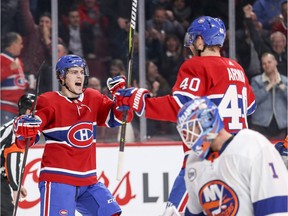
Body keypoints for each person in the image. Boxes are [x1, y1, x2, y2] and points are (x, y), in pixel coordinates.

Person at [114, 16, 256, 214]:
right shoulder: (237, 68)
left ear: (200, 41)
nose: (190, 45)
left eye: (193, 39)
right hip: (239, 161)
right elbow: (250, 106)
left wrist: (140, 102)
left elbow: (180, 108)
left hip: (206, 159)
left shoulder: (196, 65)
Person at [13, 54, 133, 215]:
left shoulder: (93, 97)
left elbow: (120, 119)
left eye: (81, 72)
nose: (80, 76)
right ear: (61, 77)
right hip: (58, 181)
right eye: (74, 72)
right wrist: (22, 127)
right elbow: (27, 139)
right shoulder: (47, 101)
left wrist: (122, 99)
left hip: (89, 182)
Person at [176, 97, 288, 215]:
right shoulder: (194, 162)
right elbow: (196, 212)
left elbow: (274, 208)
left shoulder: (251, 145)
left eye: (192, 128)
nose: (189, 137)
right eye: (185, 132)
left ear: (208, 120)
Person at [1, 93, 34, 216]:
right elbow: (12, 158)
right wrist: (16, 187)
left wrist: (18, 184)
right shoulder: (19, 129)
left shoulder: (16, 124)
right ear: (27, 111)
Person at [250, 52, 287, 140]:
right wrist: (269, 86)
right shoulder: (256, 80)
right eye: (264, 63)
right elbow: (253, 100)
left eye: (269, 62)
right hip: (260, 125)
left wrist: (281, 85)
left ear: (275, 62)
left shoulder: (285, 81)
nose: (267, 65)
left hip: (280, 126)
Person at [1, 31, 28, 126]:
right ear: (13, 44)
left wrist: (28, 83)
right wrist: (9, 69)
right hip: (5, 108)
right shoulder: (1, 58)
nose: (22, 46)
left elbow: (18, 83)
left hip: (17, 109)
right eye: (20, 43)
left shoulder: (18, 61)